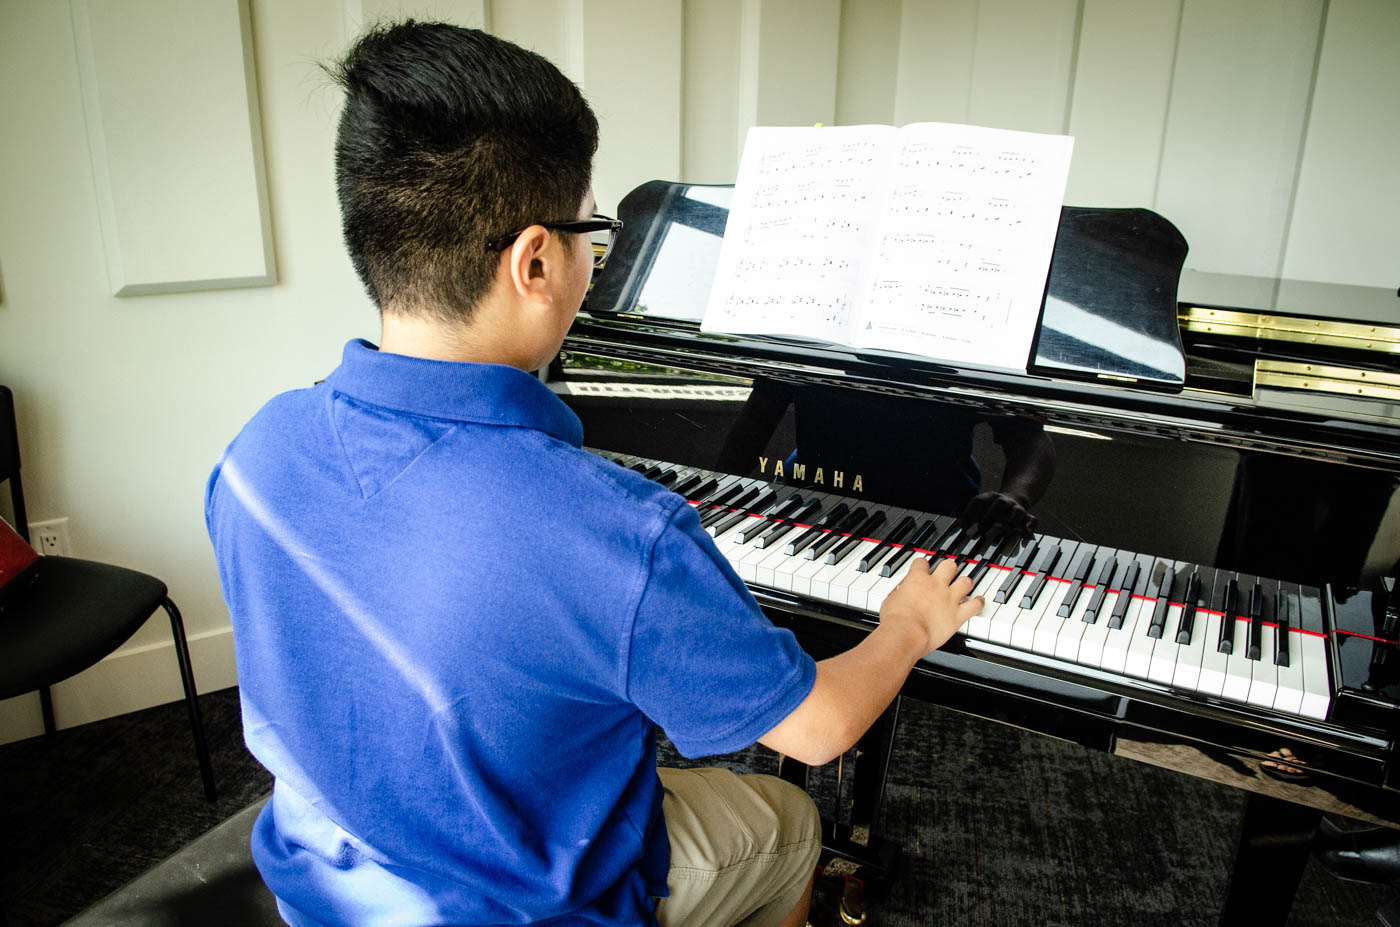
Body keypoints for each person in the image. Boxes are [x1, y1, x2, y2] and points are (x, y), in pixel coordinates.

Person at [205, 21, 981, 927]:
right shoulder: (612, 530)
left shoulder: (254, 451)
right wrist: (907, 625)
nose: (593, 262)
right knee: (790, 813)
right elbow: (820, 728)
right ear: (535, 260)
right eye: (592, 233)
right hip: (520, 908)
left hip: (324, 881)